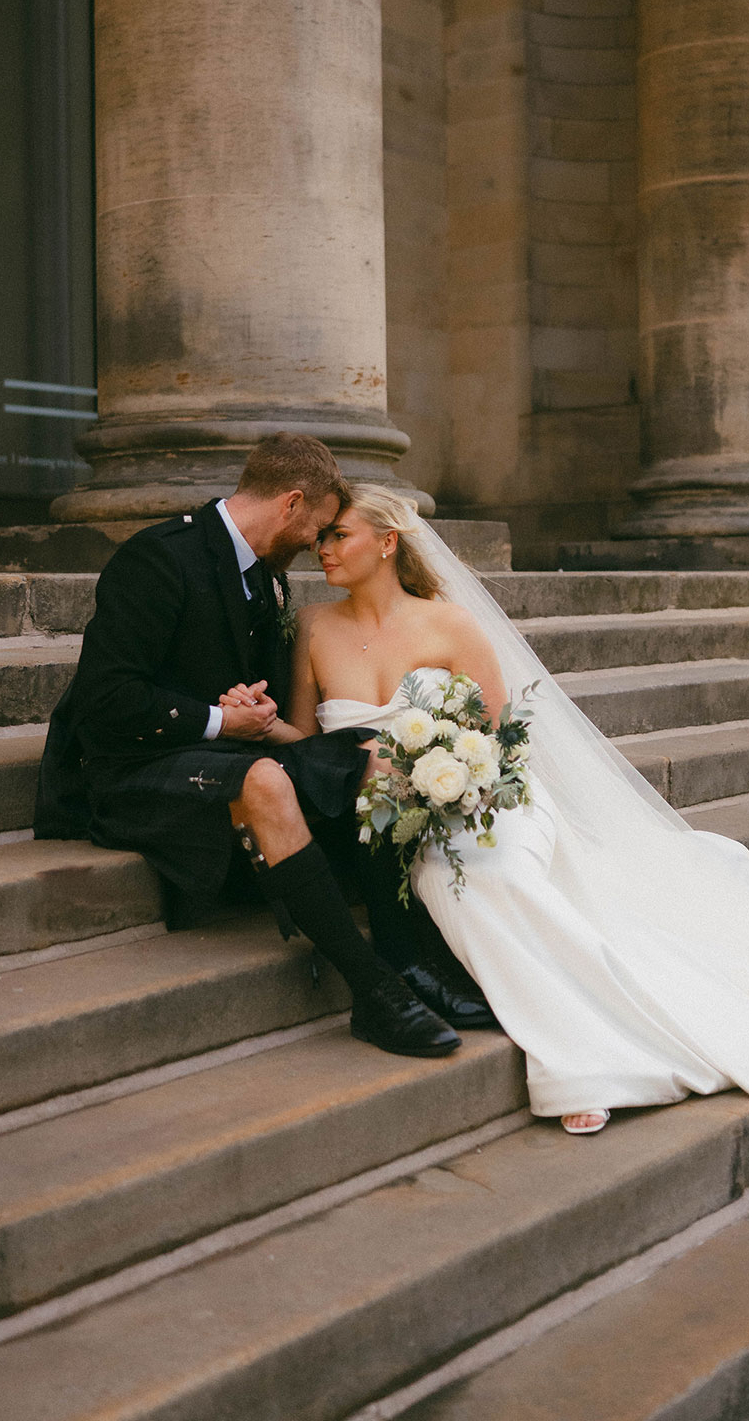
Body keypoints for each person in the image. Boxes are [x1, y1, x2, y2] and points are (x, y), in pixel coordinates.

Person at [238, 483, 749, 1192]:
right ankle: (588, 1046)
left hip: (483, 802)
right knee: (444, 875)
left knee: (493, 874)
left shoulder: (450, 625)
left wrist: (455, 780)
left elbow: (503, 737)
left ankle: (592, 1056)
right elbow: (311, 740)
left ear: (389, 540)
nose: (320, 549)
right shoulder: (314, 627)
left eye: (337, 535)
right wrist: (255, 723)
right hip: (385, 815)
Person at [34, 434, 464, 1059]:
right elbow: (106, 702)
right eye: (318, 528)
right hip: (130, 768)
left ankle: (409, 956)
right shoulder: (158, 558)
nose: (318, 545)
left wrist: (251, 709)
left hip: (219, 753)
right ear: (291, 504)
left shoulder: (264, 577)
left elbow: (240, 685)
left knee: (377, 757)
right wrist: (215, 720)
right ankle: (374, 992)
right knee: (265, 779)